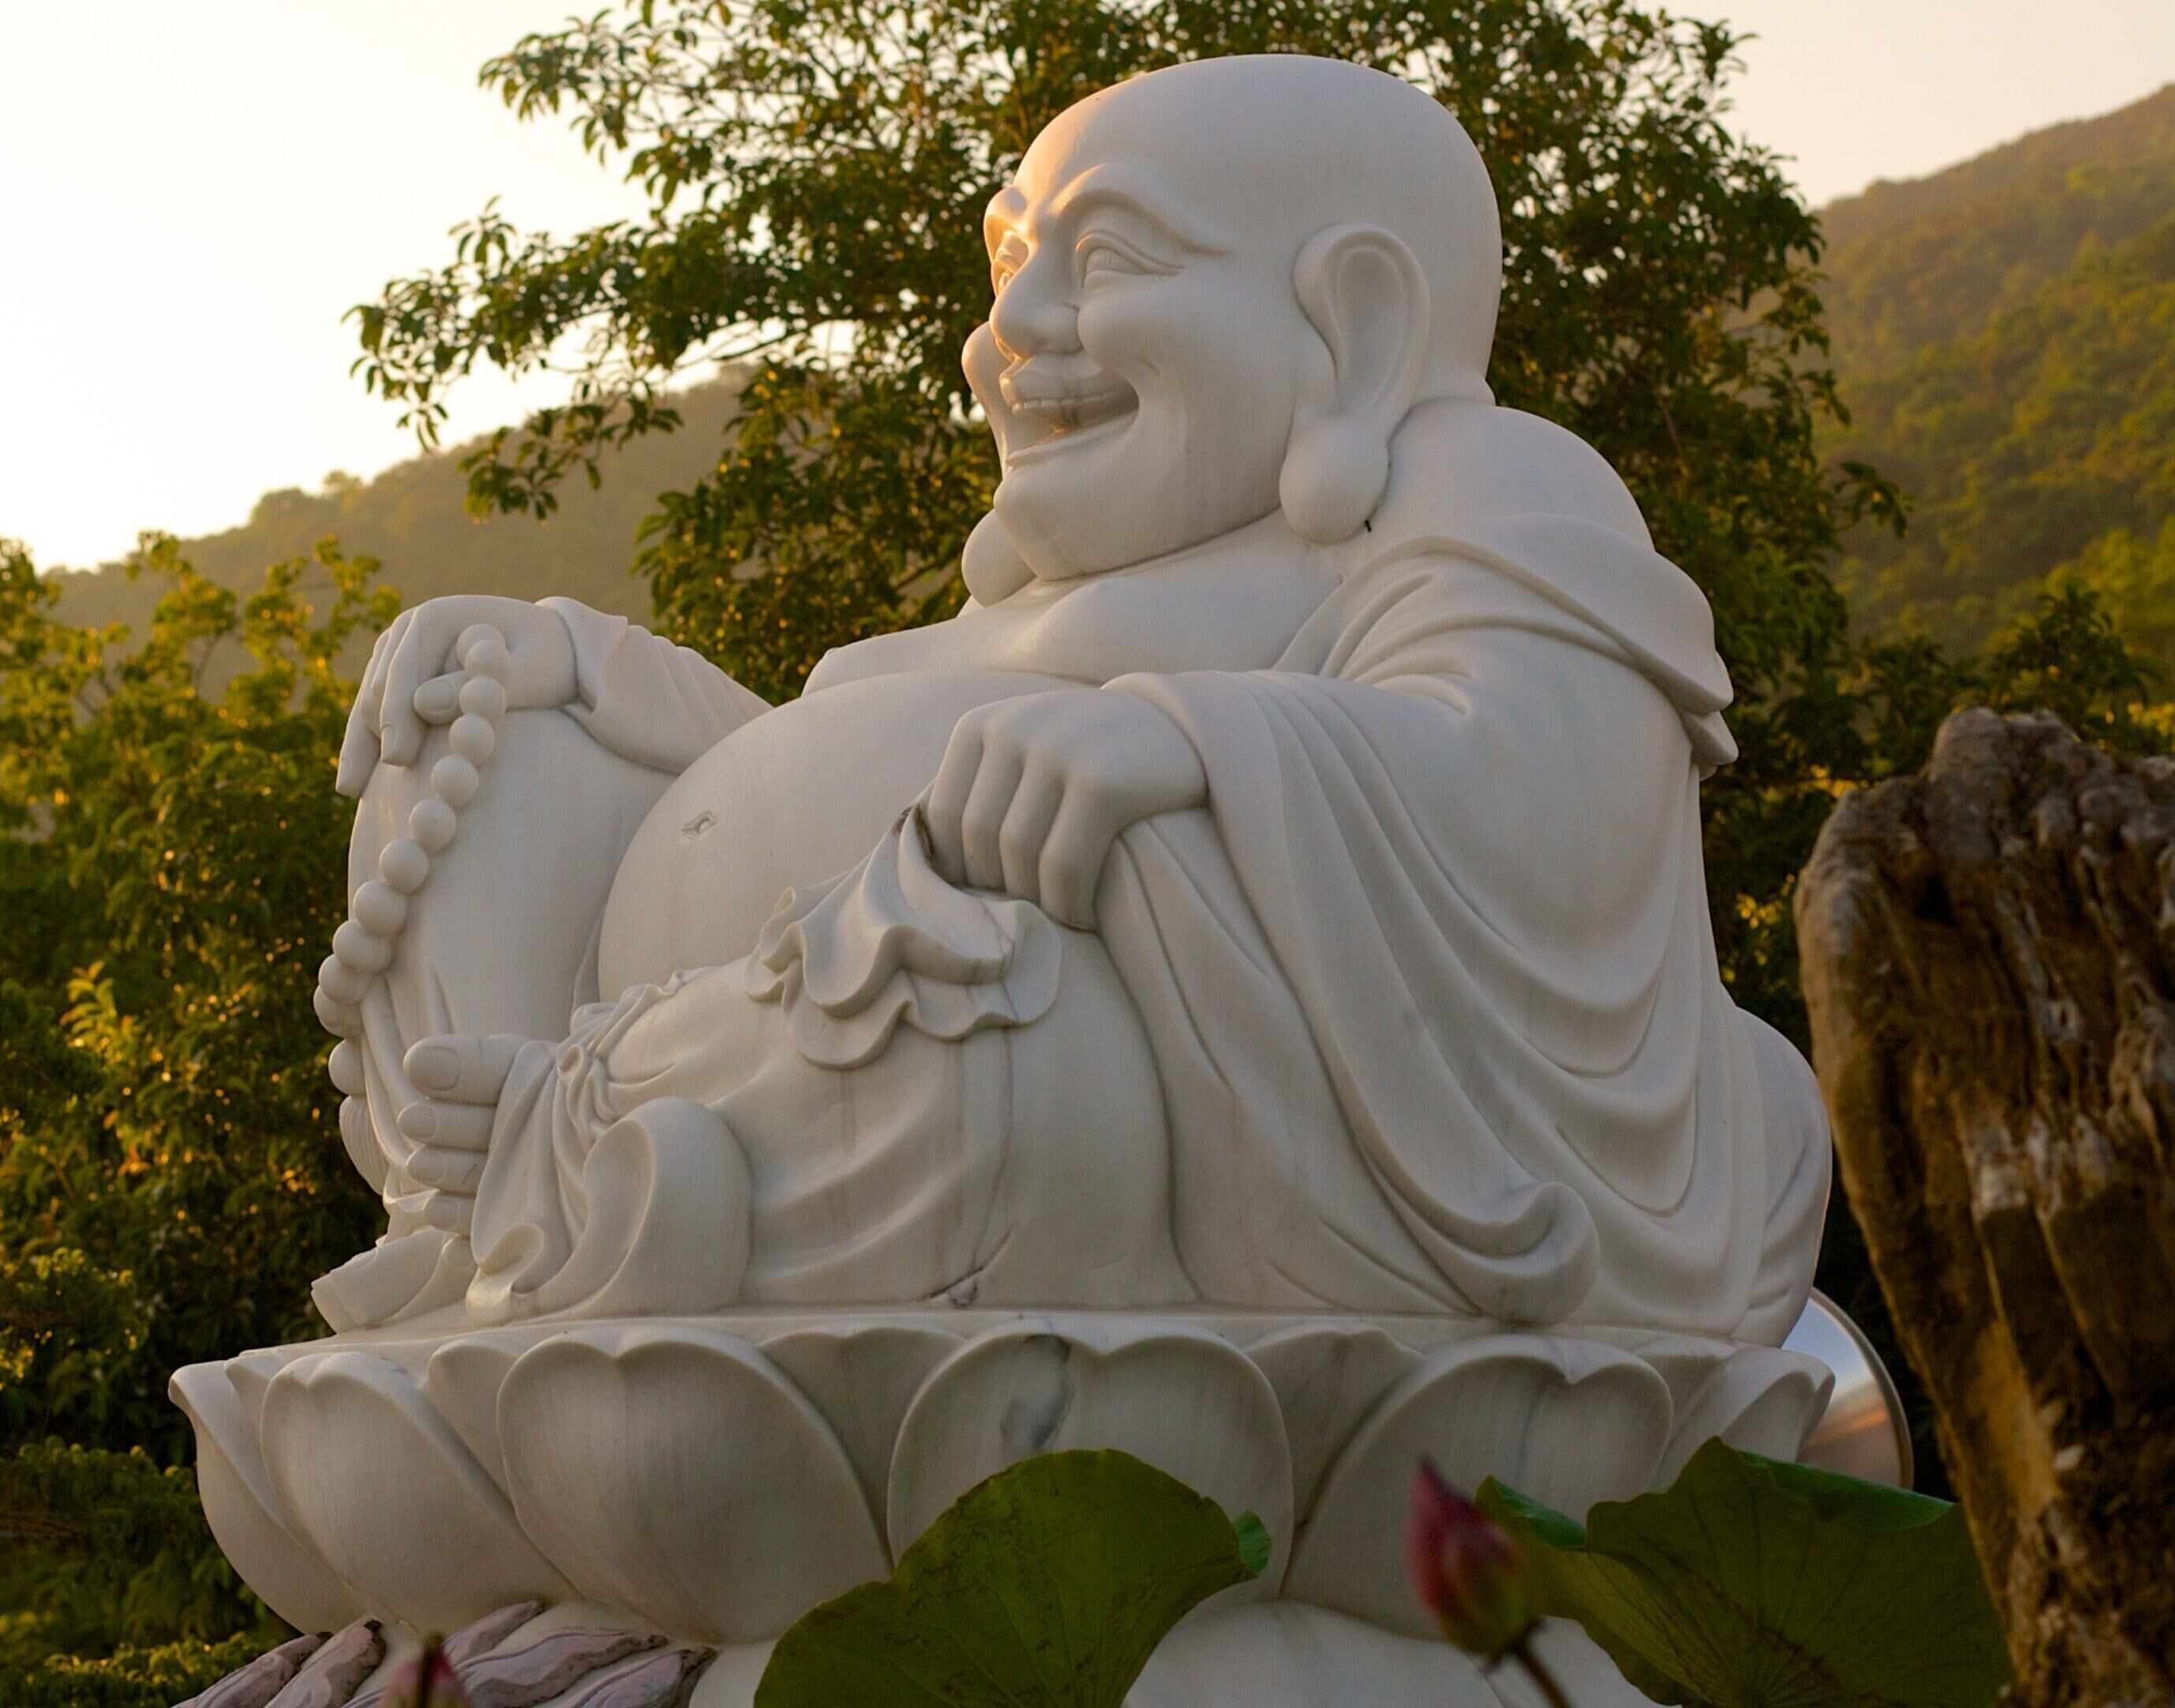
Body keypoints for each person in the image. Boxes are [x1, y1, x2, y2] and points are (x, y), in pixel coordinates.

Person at [319, 54, 1826, 1344]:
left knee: (1019, 1015)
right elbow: (817, 785)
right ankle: (481, 1239)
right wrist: (593, 677)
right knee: (486, 713)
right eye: (1005, 267)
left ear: (1355, 325)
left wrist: (1192, 741)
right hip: (764, 1092)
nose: (1007, 334)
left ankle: (568, 1157)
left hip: (1039, 1127)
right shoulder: (1027, 605)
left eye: (1101, 261)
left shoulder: (1475, 487)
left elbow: (1546, 788)